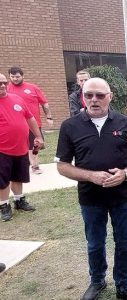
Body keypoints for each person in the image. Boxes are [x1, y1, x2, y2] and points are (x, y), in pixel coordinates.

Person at [56, 77, 127, 300]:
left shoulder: (125, 123)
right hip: (91, 198)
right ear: (82, 97)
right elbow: (62, 166)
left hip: (123, 196)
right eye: (89, 95)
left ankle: (123, 285)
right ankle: (97, 281)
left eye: (99, 95)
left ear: (110, 97)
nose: (94, 100)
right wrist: (91, 176)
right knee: (95, 243)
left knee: (124, 243)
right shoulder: (70, 126)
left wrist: (125, 173)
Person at [0, 73, 44, 222]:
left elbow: (30, 117)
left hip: (20, 147)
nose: (3, 85)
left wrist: (38, 136)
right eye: (0, 83)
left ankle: (19, 200)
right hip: (2, 149)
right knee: (3, 180)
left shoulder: (16, 99)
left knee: (18, 176)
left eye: (4, 82)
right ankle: (4, 205)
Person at [7, 66, 53, 175]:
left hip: (34, 123)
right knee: (17, 146)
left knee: (35, 145)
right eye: (12, 77)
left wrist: (49, 117)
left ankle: (35, 165)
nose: (15, 79)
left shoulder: (33, 88)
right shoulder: (7, 89)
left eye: (17, 76)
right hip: (15, 124)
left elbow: (44, 103)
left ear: (23, 76)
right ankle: (18, 166)